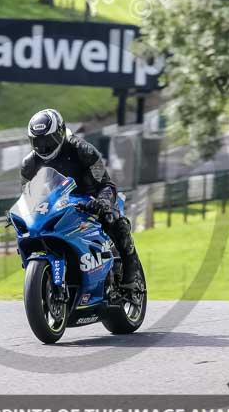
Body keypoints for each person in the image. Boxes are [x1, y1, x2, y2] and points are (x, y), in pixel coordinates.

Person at [20, 108, 141, 287]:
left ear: (60, 133)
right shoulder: (29, 165)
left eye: (48, 140)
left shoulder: (83, 151)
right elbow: (26, 196)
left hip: (90, 200)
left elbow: (106, 184)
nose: (43, 147)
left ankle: (132, 276)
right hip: (56, 207)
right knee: (31, 233)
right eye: (38, 142)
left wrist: (102, 202)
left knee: (115, 222)